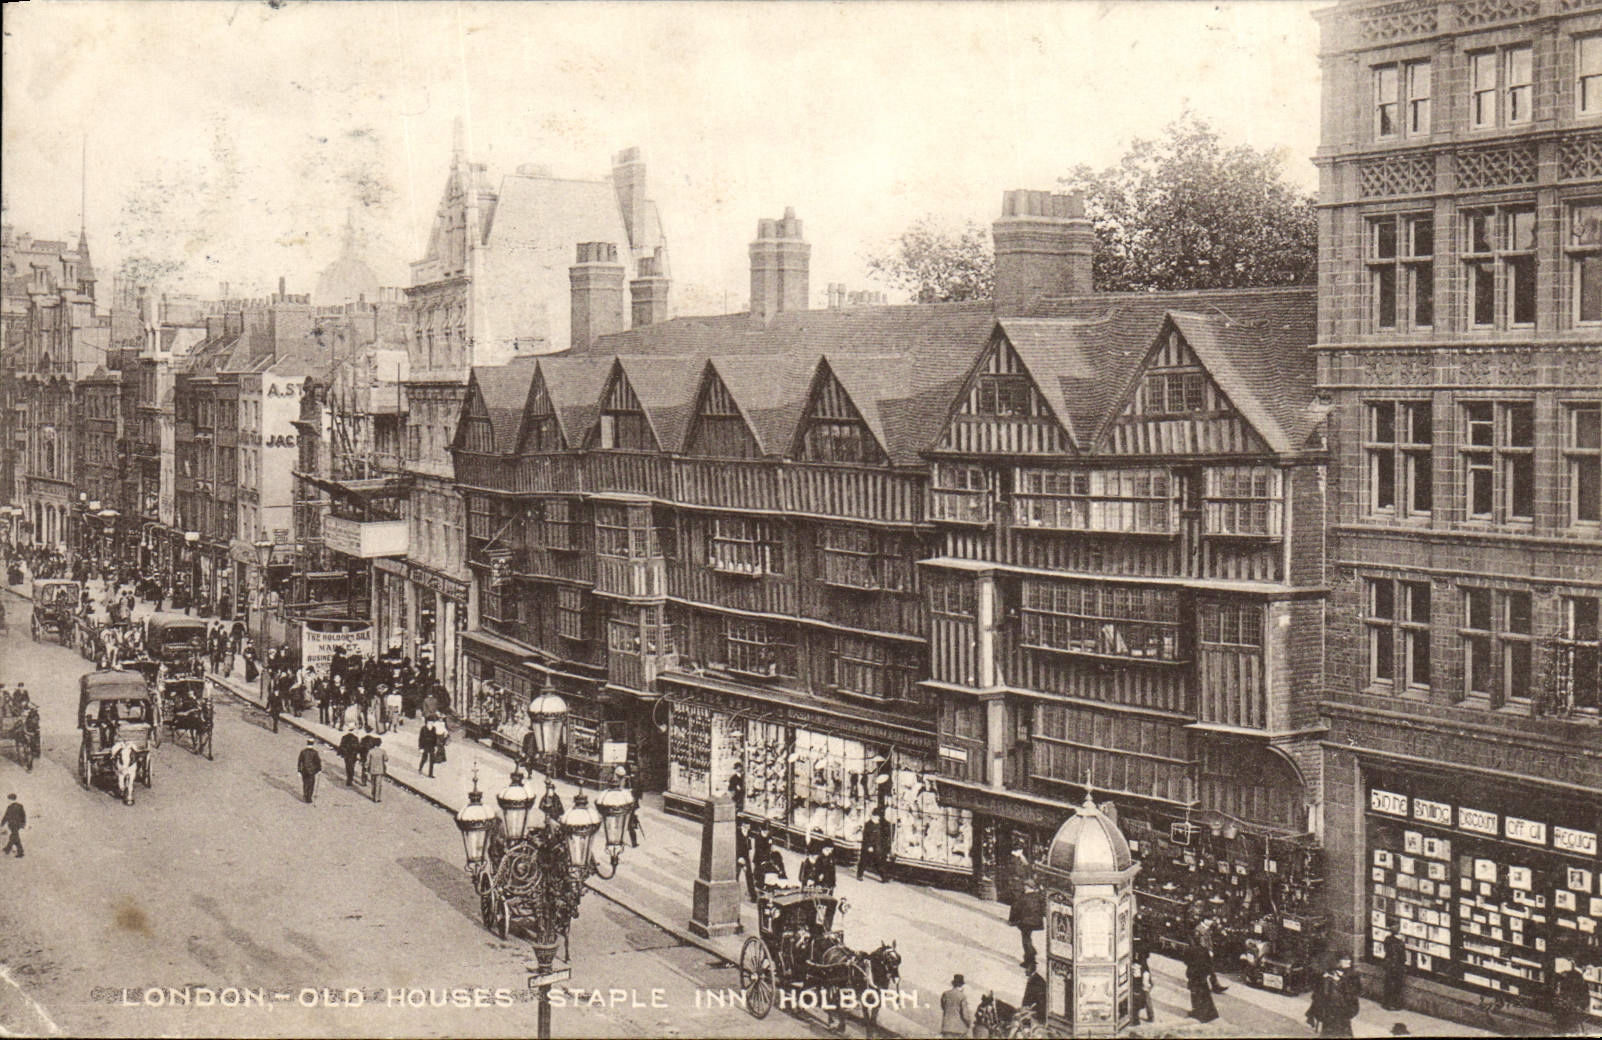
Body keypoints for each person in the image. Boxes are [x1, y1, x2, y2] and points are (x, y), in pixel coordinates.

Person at [1310, 955, 1361, 1037]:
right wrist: (1325, 977)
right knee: (1330, 1024)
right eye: (1344, 960)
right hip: (1331, 1005)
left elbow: (1354, 990)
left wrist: (1341, 980)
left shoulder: (1353, 974)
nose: (1346, 962)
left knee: (1342, 1026)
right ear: (1340, 961)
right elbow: (1321, 987)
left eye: (1348, 960)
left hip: (1343, 1006)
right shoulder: (1334, 970)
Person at [1009, 880, 1045, 970]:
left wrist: (1012, 921)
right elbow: (1043, 909)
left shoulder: (1023, 897)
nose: (1024, 887)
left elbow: (1015, 908)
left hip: (1025, 922)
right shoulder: (1038, 897)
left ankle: (1030, 959)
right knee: (1027, 939)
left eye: (1025, 886)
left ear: (1027, 887)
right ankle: (1029, 958)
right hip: (1035, 922)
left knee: (1026, 940)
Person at [1554, 956, 1592, 1035]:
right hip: (1573, 1010)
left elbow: (1559, 990)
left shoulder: (1566, 974)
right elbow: (1585, 996)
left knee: (1561, 1030)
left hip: (1563, 1008)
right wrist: (1582, 1007)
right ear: (1584, 967)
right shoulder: (1580, 978)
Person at [1185, 941, 1219, 1023]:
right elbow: (1209, 962)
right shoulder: (1204, 949)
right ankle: (1211, 1013)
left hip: (1193, 974)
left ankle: (1198, 1013)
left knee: (1195, 994)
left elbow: (1186, 961)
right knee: (1205, 993)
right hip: (1202, 974)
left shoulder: (1189, 950)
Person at [859, 807, 893, 882]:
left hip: (876, 847)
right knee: (864, 861)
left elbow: (880, 837)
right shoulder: (868, 824)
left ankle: (884, 877)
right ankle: (859, 875)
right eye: (876, 817)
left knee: (878, 862)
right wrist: (869, 846)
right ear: (873, 816)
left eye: (878, 817)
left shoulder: (879, 825)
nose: (877, 818)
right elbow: (866, 837)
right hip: (868, 846)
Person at [1381, 931, 1407, 1011]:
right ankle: (1396, 1004)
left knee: (1388, 984)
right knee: (1397, 986)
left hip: (1389, 965)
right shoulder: (1400, 944)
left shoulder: (1387, 940)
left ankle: (1387, 1003)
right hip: (1397, 967)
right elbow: (1403, 957)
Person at [940, 974, 973, 1038]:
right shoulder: (962, 996)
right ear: (961, 985)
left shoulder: (945, 994)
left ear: (953, 984)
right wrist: (969, 1023)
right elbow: (965, 1014)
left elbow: (943, 1007)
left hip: (947, 1027)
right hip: (959, 1029)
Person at [1131, 946, 1155, 1023]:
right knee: (1145, 994)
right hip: (1143, 971)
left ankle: (1136, 1018)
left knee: (1139, 994)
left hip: (1141, 972)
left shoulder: (1136, 948)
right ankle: (1150, 1016)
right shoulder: (1142, 945)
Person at [297, 739, 322, 804]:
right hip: (312, 771)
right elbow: (318, 762)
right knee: (311, 784)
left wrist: (299, 771)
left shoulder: (303, 752)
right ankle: (309, 797)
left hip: (304, 770)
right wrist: (319, 770)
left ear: (307, 743)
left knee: (305, 783)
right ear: (313, 744)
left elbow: (300, 761)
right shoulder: (315, 752)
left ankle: (305, 795)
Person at [2, 793, 25, 858]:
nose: (8, 801)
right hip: (18, 825)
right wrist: (23, 823)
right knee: (14, 836)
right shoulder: (20, 806)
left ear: (10, 799)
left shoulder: (10, 807)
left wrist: (2, 824)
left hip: (12, 825)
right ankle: (8, 848)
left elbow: (6, 816)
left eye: (8, 799)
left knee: (15, 837)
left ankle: (19, 852)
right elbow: (23, 815)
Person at [366, 737, 387, 803]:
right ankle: (377, 798)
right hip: (380, 769)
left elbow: (367, 761)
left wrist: (366, 768)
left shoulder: (370, 751)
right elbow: (386, 759)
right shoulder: (382, 751)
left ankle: (373, 794)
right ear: (380, 744)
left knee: (373, 782)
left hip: (372, 769)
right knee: (378, 783)